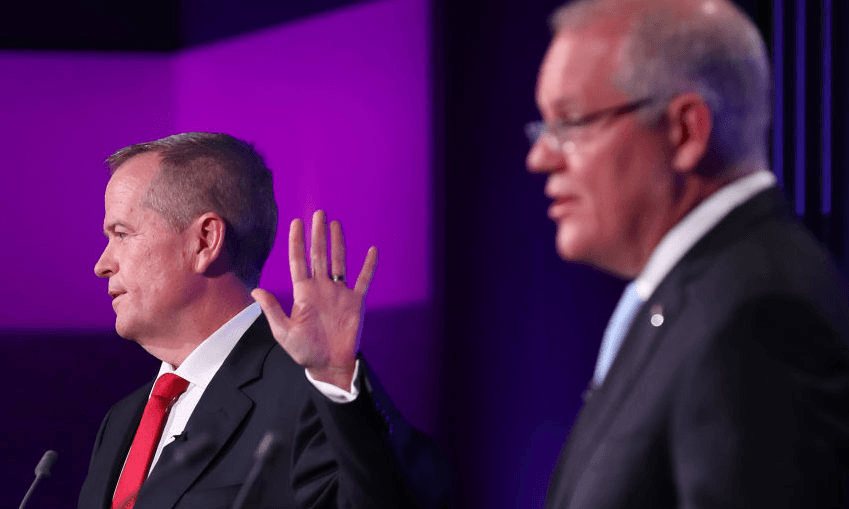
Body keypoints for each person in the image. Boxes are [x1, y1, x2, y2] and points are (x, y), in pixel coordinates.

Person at [525, 0, 849, 507]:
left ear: (685, 131)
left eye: (571, 123)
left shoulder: (757, 316)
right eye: (544, 128)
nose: (540, 157)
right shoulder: (688, 300)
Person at [77, 132, 447, 509]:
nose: (101, 264)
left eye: (121, 234)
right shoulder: (121, 422)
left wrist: (336, 382)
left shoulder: (313, 391)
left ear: (205, 241)